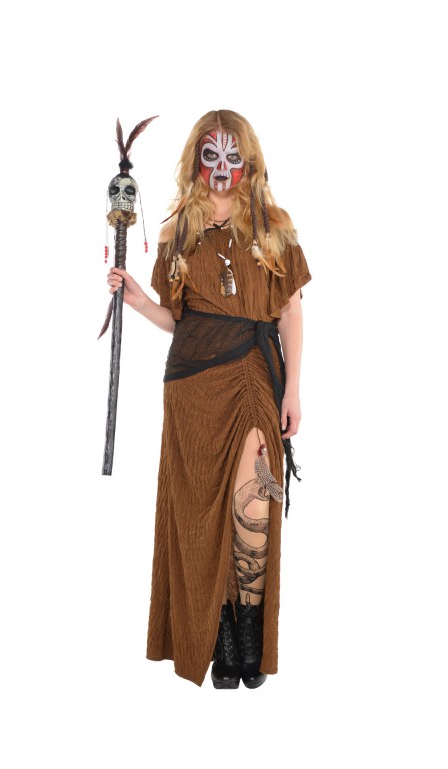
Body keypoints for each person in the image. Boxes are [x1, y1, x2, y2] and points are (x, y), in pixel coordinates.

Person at [106, 110, 311, 689]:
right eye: (211, 156)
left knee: (255, 501)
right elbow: (181, 320)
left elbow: (290, 310)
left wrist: (293, 389)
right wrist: (137, 300)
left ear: (250, 161)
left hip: (254, 376)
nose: (222, 169)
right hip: (192, 383)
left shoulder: (273, 226)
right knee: (200, 510)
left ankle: (250, 634)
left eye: (233, 157)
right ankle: (221, 634)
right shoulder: (178, 230)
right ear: (196, 160)